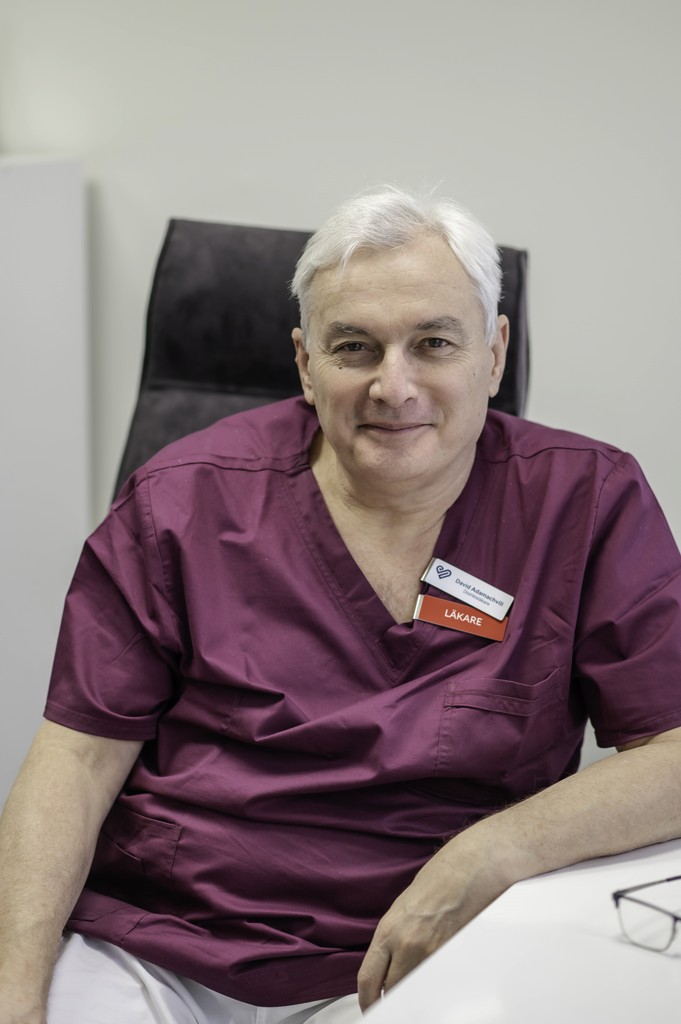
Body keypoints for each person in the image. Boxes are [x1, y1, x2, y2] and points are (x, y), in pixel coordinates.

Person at [2, 185, 681, 1024]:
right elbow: (76, 760)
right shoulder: (182, 500)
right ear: (304, 362)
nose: (394, 388)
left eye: (433, 343)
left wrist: (495, 850)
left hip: (429, 947)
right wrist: (14, 998)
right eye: (355, 347)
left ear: (494, 352)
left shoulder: (585, 502)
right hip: (164, 944)